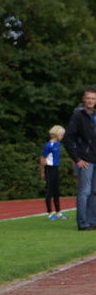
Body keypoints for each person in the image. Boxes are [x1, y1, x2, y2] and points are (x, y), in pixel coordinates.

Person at [62, 87, 96, 231]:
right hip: (86, 161)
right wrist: (77, 159)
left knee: (94, 192)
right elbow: (68, 138)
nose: (90, 101)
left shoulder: (95, 115)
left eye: (93, 99)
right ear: (84, 99)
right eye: (88, 98)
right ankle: (83, 223)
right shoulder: (78, 116)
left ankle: (92, 221)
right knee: (85, 192)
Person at [40, 125, 68, 220]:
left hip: (56, 168)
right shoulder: (49, 145)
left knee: (56, 191)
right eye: (61, 135)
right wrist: (43, 172)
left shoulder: (58, 144)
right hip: (49, 168)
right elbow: (43, 159)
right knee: (49, 191)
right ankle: (50, 213)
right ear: (57, 135)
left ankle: (58, 212)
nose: (62, 137)